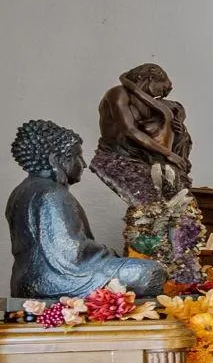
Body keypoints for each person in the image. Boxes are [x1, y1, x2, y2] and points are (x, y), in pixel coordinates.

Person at [8, 120, 168, 298]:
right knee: (149, 272)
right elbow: (70, 253)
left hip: (27, 280)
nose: (83, 164)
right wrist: (111, 255)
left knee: (141, 269)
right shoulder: (51, 193)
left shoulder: (22, 191)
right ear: (56, 160)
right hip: (56, 281)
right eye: (77, 156)